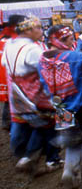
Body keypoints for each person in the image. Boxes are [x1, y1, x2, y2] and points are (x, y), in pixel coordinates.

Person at [39, 25, 82, 189]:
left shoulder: (42, 59)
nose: (72, 41)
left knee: (71, 139)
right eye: (69, 39)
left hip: (60, 106)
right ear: (61, 39)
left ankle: (69, 170)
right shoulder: (76, 57)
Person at [1, 15, 62, 174]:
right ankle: (48, 159)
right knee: (49, 125)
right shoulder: (33, 49)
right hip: (35, 94)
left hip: (17, 94)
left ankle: (24, 156)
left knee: (25, 124)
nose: (41, 31)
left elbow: (4, 64)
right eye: (38, 27)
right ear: (28, 30)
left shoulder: (9, 44)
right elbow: (46, 70)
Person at [0, 15, 17, 131]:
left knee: (7, 99)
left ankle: (6, 122)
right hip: (9, 72)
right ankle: (9, 122)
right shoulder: (12, 43)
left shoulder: (2, 41)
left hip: (2, 72)